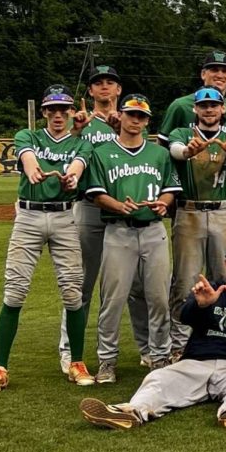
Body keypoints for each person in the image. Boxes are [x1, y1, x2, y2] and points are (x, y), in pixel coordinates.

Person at [79, 240, 226, 429]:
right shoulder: (210, 289)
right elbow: (184, 316)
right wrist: (202, 305)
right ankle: (130, 413)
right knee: (157, 378)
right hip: (196, 362)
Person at [0, 88, 93, 393]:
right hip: (29, 217)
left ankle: (77, 362)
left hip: (63, 217)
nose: (58, 115)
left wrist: (71, 177)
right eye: (52, 110)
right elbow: (28, 160)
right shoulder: (28, 136)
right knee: (15, 291)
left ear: (71, 112)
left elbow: (78, 166)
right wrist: (33, 171)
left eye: (64, 109)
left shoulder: (80, 142)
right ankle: (0, 368)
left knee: (73, 292)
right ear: (44, 112)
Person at [83, 94, 183, 383]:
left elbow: (170, 188)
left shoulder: (159, 154)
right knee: (112, 300)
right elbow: (96, 194)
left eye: (141, 117)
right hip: (118, 230)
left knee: (159, 298)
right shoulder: (102, 152)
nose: (136, 120)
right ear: (121, 117)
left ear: (147, 122)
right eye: (131, 115)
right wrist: (118, 205)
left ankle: (159, 356)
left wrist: (164, 203)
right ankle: (107, 361)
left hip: (153, 230)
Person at [59, 64, 151, 373]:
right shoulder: (81, 122)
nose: (104, 87)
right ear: (90, 91)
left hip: (124, 211)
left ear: (119, 89)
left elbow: (142, 156)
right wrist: (75, 130)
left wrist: (118, 128)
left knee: (136, 284)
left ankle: (146, 348)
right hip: (88, 208)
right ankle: (71, 352)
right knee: (81, 282)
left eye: (110, 82)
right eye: (98, 83)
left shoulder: (130, 119)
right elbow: (65, 155)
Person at [166, 87, 226, 356]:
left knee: (225, 279)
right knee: (185, 280)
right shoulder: (183, 133)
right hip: (189, 211)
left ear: (223, 109)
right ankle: (179, 346)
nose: (209, 110)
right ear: (195, 109)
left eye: (214, 105)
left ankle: (222, 339)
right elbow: (176, 150)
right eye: (204, 106)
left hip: (223, 211)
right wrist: (189, 150)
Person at [157, 50, 226, 143]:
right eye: (214, 70)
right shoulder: (180, 106)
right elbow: (162, 142)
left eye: (225, 71)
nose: (220, 75)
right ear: (203, 74)